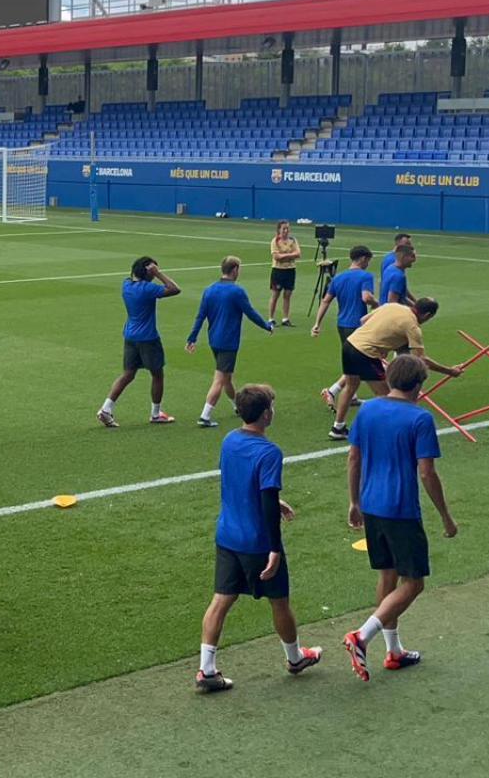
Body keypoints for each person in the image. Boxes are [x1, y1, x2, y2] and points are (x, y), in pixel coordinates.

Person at [195, 385, 323, 693]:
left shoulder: (229, 440)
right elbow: (266, 501)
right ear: (266, 414)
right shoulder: (269, 452)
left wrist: (275, 500)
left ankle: (206, 669)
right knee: (280, 602)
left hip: (227, 535)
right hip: (256, 542)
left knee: (221, 600)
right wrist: (274, 548)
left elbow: (241, 482)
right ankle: (295, 658)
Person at [343, 356, 457, 682]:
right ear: (419, 385)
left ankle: (393, 651)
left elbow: (354, 457)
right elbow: (427, 472)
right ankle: (362, 637)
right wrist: (446, 516)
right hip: (401, 510)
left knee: (387, 576)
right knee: (414, 583)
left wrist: (354, 501)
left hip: (372, 506)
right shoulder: (420, 419)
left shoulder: (367, 410)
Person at [328, 298, 462, 441]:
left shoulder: (393, 306)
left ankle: (338, 427)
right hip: (365, 353)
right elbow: (421, 360)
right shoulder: (413, 327)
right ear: (428, 315)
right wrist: (450, 371)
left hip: (350, 344)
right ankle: (381, 431)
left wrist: (384, 342)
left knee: (350, 386)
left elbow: (363, 320)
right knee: (386, 395)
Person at [186, 256, 274, 429]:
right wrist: (266, 326)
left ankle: (237, 406)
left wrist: (192, 337)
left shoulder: (209, 290)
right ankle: (205, 415)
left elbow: (200, 316)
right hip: (228, 341)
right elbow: (250, 312)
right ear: (234, 270)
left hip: (214, 340)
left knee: (227, 377)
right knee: (220, 378)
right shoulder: (236, 291)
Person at [98, 256, 183, 427]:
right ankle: (156, 413)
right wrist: (159, 274)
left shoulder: (126, 284)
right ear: (147, 271)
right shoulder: (147, 289)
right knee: (157, 375)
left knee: (128, 374)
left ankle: (106, 409)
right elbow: (175, 289)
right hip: (148, 338)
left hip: (130, 336)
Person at [314, 245, 379, 409]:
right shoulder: (365, 276)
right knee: (365, 361)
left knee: (352, 362)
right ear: (363, 258)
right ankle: (333, 391)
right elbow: (366, 297)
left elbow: (325, 300)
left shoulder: (338, 278)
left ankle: (350, 395)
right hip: (358, 326)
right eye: (368, 260)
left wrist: (317, 323)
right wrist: (378, 305)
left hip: (342, 324)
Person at [267, 221, 301, 327]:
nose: (286, 231)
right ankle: (271, 318)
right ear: (279, 230)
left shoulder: (293, 240)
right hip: (278, 270)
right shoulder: (275, 241)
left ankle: (285, 318)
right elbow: (277, 257)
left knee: (287, 294)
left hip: (290, 270)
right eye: (284, 229)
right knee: (275, 294)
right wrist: (291, 255)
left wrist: (285, 255)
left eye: (287, 228)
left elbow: (298, 254)